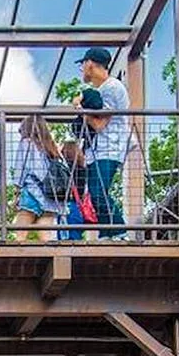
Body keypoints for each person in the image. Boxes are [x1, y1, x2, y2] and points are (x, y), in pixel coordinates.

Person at [72, 46, 129, 238]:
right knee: (96, 193)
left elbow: (99, 125)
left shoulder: (112, 87)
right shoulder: (102, 89)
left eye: (82, 64)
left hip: (109, 148)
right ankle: (107, 232)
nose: (81, 69)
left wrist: (80, 109)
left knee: (98, 191)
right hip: (98, 150)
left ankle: (119, 231)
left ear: (90, 64)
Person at [12, 115, 65, 242]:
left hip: (32, 190)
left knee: (20, 235)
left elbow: (22, 166)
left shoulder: (26, 143)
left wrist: (17, 188)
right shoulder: (51, 146)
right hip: (51, 195)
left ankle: (18, 258)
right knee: (46, 236)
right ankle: (48, 258)